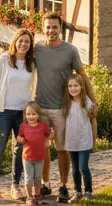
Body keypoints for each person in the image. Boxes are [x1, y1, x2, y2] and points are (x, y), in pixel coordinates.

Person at [33, 12, 98, 203]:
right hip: (40, 107)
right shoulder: (37, 49)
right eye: (48, 27)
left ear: (60, 28)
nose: (51, 30)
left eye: (54, 27)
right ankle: (46, 184)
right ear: (43, 28)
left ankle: (63, 186)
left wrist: (93, 100)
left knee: (62, 149)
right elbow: (19, 56)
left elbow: (82, 76)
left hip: (62, 109)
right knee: (43, 148)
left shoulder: (70, 50)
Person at [0, 28, 36, 202]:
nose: (24, 44)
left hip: (22, 114)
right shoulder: (4, 59)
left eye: (27, 41)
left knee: (19, 151)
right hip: (3, 112)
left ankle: (15, 186)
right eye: (21, 40)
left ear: (30, 45)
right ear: (15, 41)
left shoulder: (31, 63)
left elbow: (33, 87)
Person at [63, 74, 97, 202]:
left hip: (84, 140)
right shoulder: (67, 103)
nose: (73, 88)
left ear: (82, 87)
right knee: (75, 168)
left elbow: (93, 120)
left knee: (83, 167)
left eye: (76, 85)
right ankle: (77, 192)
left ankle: (88, 192)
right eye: (70, 86)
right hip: (72, 140)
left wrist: (94, 141)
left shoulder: (87, 102)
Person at [17, 101, 53, 206]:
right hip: (27, 157)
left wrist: (52, 134)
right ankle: (29, 197)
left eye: (33, 114)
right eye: (28, 114)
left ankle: (37, 195)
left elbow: (49, 134)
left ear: (38, 114)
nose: (31, 117)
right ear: (25, 114)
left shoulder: (42, 126)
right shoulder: (23, 126)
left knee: (37, 178)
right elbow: (19, 137)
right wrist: (21, 139)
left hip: (40, 157)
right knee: (29, 179)